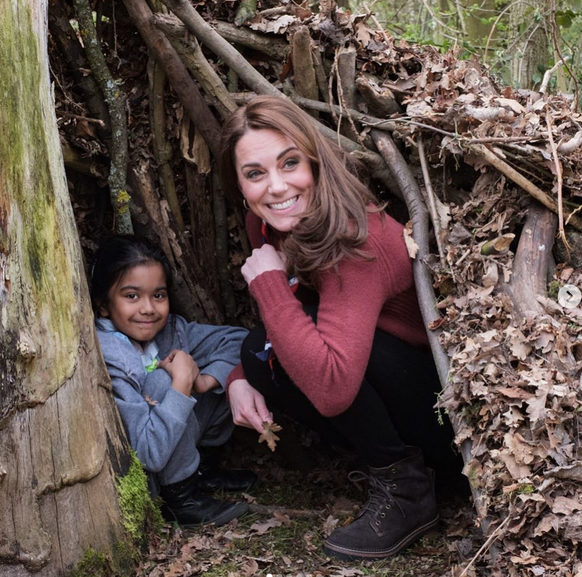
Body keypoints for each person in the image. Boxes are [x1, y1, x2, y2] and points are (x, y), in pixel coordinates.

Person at [218, 95, 457, 560]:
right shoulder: (267, 223)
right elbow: (291, 326)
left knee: (276, 347)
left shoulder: (352, 239)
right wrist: (239, 378)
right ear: (239, 184)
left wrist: (268, 282)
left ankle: (407, 489)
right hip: (382, 382)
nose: (276, 187)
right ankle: (395, 468)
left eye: (290, 163)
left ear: (314, 160)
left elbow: (332, 389)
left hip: (440, 414)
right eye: (255, 173)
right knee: (257, 352)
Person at [91, 235, 256, 527]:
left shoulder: (170, 331)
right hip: (151, 473)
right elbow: (149, 454)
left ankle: (201, 468)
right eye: (131, 296)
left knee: (229, 375)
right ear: (104, 305)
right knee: (160, 383)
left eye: (158, 295)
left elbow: (239, 341)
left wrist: (204, 380)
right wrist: (181, 382)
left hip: (176, 442)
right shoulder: (110, 359)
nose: (148, 308)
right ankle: (181, 497)